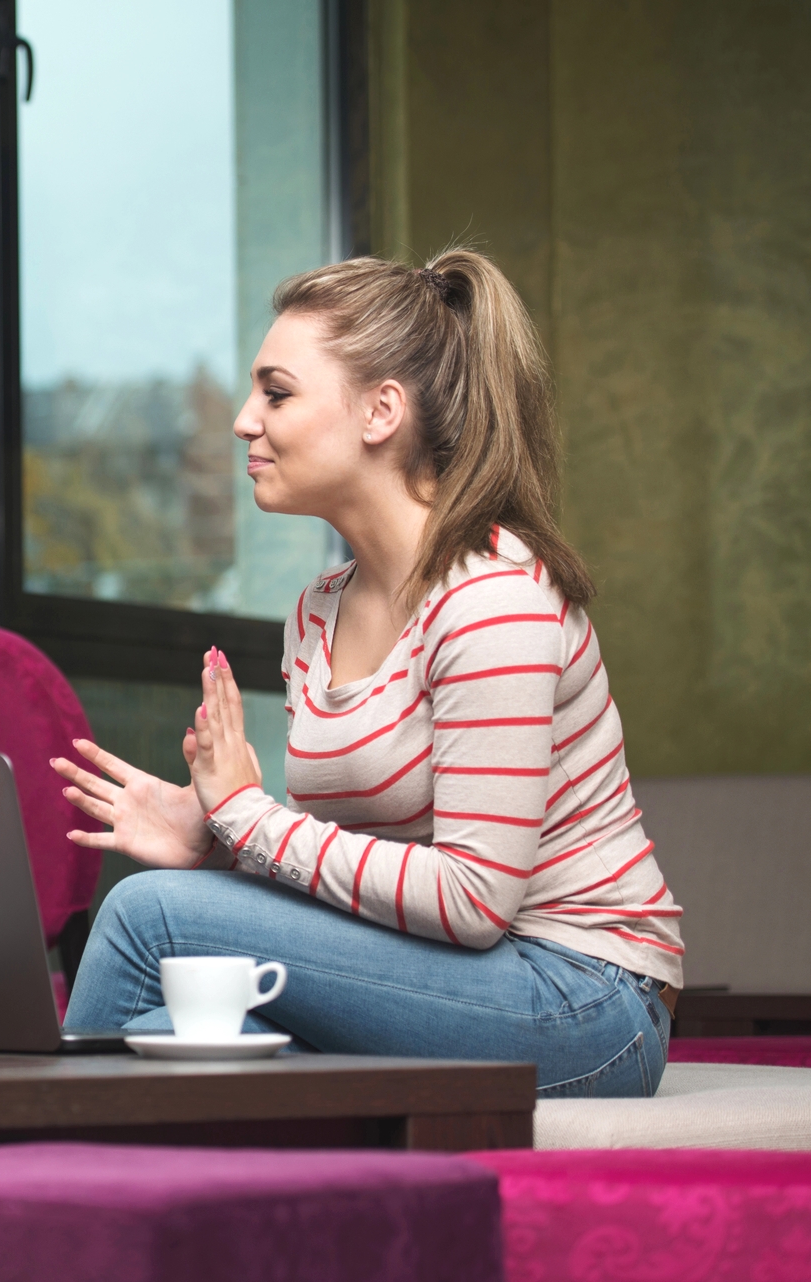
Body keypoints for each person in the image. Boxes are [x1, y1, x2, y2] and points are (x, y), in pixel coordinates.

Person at [52, 249, 682, 1098]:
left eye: (276, 392)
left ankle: (28, 1187)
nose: (243, 419)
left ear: (381, 411)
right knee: (176, 1037)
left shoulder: (493, 595)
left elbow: (471, 899)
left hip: (583, 998)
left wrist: (248, 819)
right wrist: (217, 844)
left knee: (144, 912)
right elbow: (359, 870)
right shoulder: (317, 613)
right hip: (456, 978)